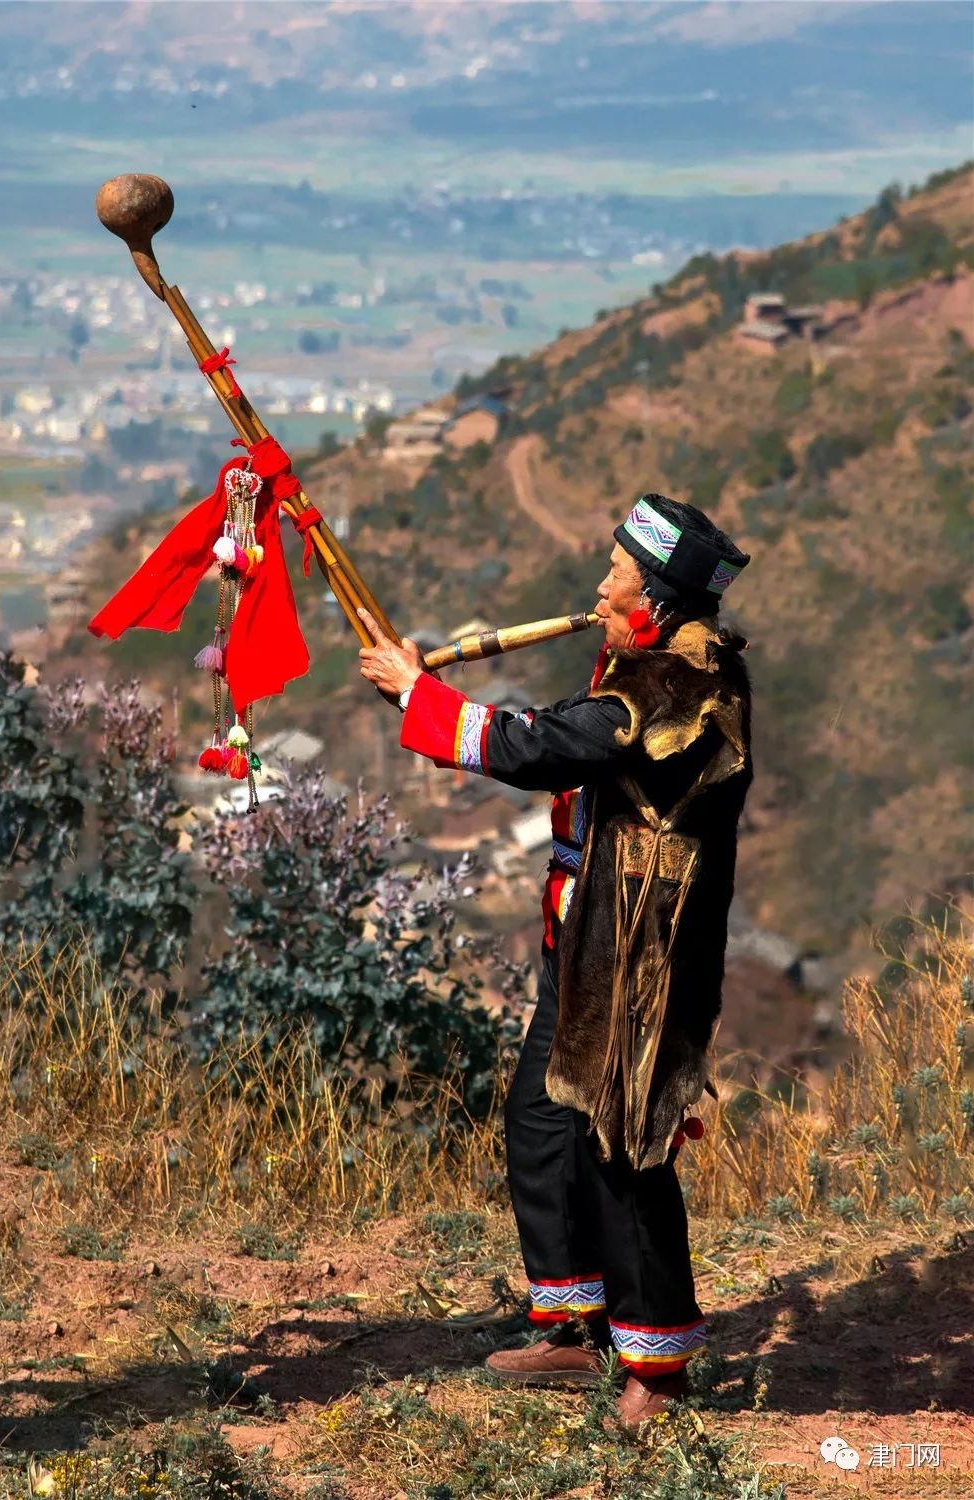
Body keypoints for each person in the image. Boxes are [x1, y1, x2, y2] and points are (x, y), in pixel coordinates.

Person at [358, 493, 752, 1430]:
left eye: (615, 578)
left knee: (624, 1142)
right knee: (542, 1121)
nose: (599, 589)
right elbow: (565, 731)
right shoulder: (645, 659)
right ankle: (574, 1323)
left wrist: (423, 699)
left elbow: (549, 746)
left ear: (653, 597)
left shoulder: (681, 684)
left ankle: (656, 1365)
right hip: (587, 938)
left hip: (640, 957)